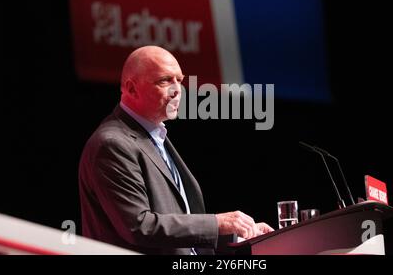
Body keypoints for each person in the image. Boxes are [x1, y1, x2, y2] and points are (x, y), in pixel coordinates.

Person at [78, 45, 274, 254]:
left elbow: (177, 225)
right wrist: (217, 224)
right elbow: (140, 227)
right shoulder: (112, 144)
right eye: (165, 80)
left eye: (179, 80)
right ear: (131, 88)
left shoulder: (155, 136)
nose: (177, 89)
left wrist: (240, 235)